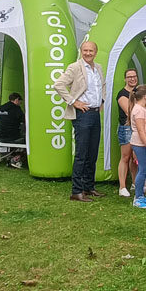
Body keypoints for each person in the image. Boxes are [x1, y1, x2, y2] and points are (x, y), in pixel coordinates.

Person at [53, 41, 106, 202]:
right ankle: (76, 191)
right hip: (82, 114)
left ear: (95, 52)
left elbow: (102, 86)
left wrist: (102, 101)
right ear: (81, 51)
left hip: (95, 113)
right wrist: (73, 101)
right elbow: (59, 84)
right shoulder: (75, 67)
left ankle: (88, 187)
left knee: (92, 152)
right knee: (81, 154)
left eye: (91, 50)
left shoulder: (98, 68)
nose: (88, 53)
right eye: (85, 50)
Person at [129, 85, 146, 208]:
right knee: (143, 170)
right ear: (145, 96)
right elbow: (141, 130)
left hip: (145, 144)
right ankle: (137, 198)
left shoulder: (144, 109)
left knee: (144, 169)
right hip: (141, 144)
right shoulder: (139, 110)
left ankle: (141, 195)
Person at [117, 69, 139, 197]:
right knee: (125, 157)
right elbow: (130, 112)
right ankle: (122, 187)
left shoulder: (138, 92)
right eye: (129, 77)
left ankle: (135, 183)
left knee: (135, 158)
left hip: (138, 128)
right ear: (125, 79)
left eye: (134, 76)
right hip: (127, 128)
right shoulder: (122, 94)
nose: (132, 79)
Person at [0, 92, 26, 169]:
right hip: (13, 137)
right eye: (20, 102)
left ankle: (11, 157)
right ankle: (16, 158)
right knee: (28, 140)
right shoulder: (16, 109)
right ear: (16, 100)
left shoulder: (1, 108)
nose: (20, 104)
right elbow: (25, 120)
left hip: (1, 137)